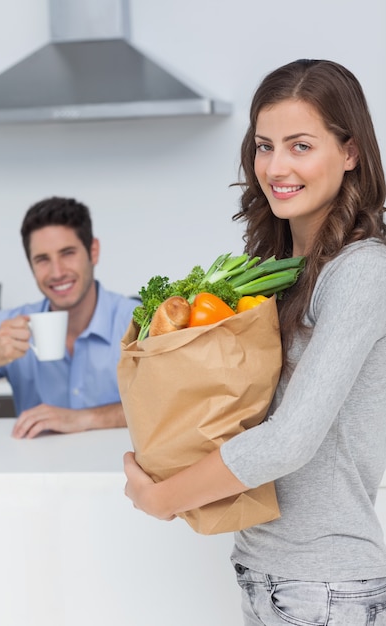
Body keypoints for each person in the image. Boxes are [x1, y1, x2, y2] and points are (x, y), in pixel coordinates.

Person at [123, 59, 386, 624]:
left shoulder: (363, 272)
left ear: (350, 152)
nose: (276, 166)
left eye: (300, 145)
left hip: (326, 586)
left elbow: (288, 441)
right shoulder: (280, 269)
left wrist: (163, 499)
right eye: (264, 146)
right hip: (264, 571)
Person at [0, 196, 138, 439]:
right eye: (42, 259)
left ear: (93, 251)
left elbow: (171, 409)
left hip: (119, 473)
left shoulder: (136, 322)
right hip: (37, 475)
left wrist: (85, 418)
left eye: (67, 253)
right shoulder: (8, 326)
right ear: (31, 266)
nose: (57, 272)